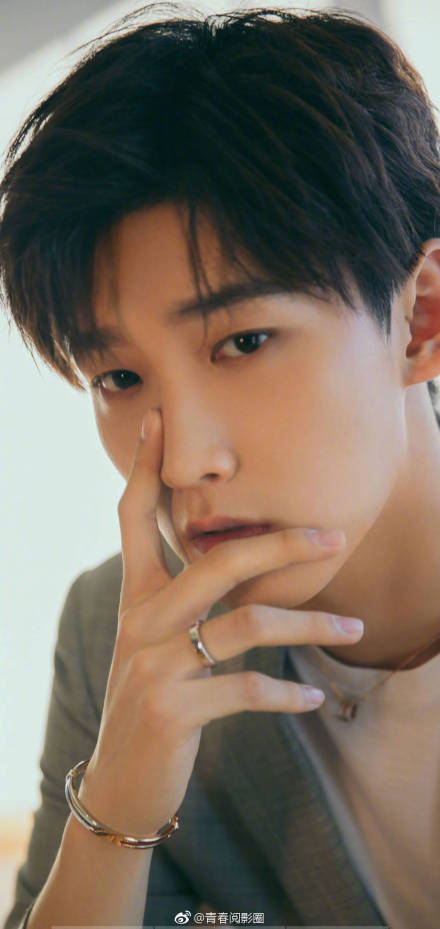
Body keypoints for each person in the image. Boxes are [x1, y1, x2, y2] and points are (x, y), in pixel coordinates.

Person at [1, 4, 440, 927]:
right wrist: (116, 809)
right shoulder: (118, 642)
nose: (188, 461)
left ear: (422, 319)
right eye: (119, 377)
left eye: (243, 341)